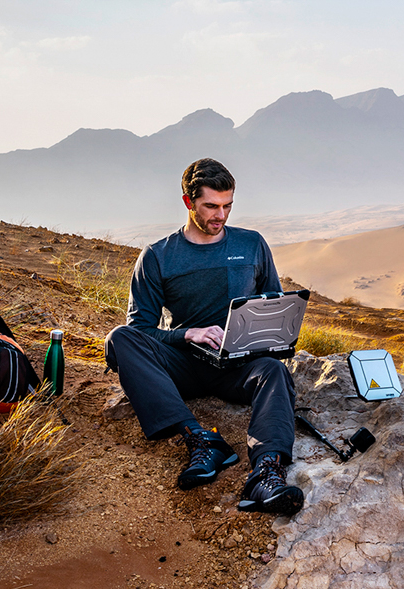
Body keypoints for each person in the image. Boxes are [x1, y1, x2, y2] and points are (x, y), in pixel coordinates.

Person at [104, 158, 303, 515]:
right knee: (120, 338)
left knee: (274, 371)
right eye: (211, 206)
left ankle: (266, 473)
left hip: (239, 366)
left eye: (227, 206)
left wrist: (273, 340)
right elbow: (141, 331)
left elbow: (275, 306)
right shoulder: (158, 256)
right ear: (188, 202)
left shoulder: (253, 244)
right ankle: (201, 439)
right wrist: (187, 334)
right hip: (183, 365)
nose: (220, 215)